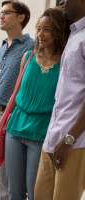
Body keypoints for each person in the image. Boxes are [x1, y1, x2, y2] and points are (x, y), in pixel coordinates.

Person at [0, 8, 67, 200]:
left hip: (41, 133)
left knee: (35, 194)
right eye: (39, 29)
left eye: (47, 29)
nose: (40, 35)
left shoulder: (65, 63)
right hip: (14, 130)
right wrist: (0, 128)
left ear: (58, 31)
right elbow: (15, 95)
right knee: (14, 192)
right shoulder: (28, 57)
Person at [0, 1, 33, 200]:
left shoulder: (31, 48)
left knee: (5, 176)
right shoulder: (0, 49)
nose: (1, 16)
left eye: (6, 13)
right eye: (0, 13)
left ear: (21, 17)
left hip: (8, 116)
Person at [34, 0, 85, 199]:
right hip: (53, 137)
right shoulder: (73, 33)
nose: (61, 1)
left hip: (74, 141)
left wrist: (69, 139)